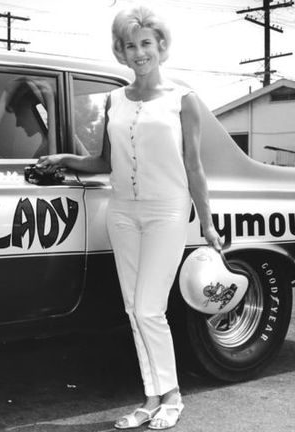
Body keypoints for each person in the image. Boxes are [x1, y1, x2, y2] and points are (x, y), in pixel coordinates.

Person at [37, 5, 222, 430]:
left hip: (167, 212)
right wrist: (65, 158)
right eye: (130, 45)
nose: (139, 53)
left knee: (149, 308)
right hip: (122, 213)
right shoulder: (114, 99)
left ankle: (172, 395)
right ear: (121, 52)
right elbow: (105, 160)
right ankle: (150, 396)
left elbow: (194, 166)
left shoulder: (184, 100)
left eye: (146, 44)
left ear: (161, 47)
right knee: (133, 308)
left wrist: (208, 223)